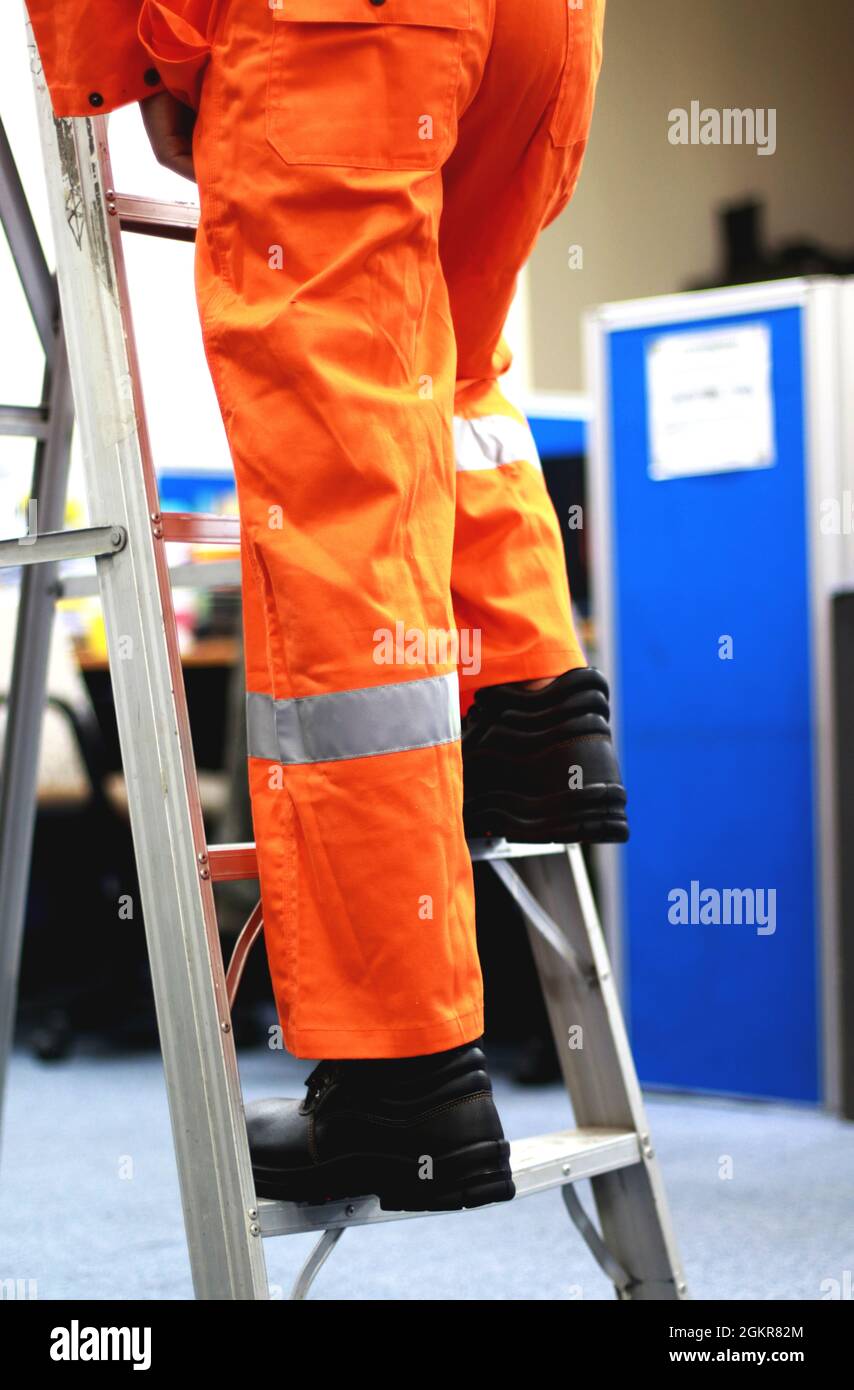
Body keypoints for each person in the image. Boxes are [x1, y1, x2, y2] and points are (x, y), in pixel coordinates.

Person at [28, 0, 620, 1213]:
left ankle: (404, 1078)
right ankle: (535, 713)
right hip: (545, 30)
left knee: (338, 491)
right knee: (445, 367)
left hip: (342, 30)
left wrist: (134, 67)